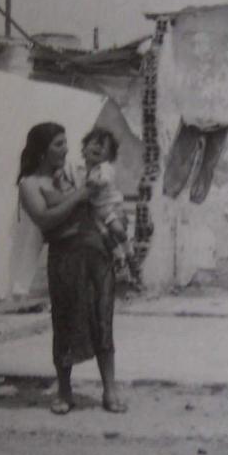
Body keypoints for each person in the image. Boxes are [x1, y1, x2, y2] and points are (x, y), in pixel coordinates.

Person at [16, 122, 126, 415]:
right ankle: (65, 391)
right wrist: (78, 196)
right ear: (41, 150)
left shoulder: (75, 173)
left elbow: (103, 198)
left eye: (66, 143)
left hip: (96, 252)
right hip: (65, 256)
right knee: (65, 321)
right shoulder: (30, 184)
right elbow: (45, 219)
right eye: (58, 145)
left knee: (102, 318)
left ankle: (110, 389)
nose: (66, 149)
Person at [80, 127, 139, 281]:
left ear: (109, 155)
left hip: (110, 207)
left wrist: (94, 182)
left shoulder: (105, 168)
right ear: (84, 149)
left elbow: (104, 181)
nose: (98, 147)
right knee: (105, 235)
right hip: (96, 211)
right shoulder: (84, 170)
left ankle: (130, 255)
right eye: (94, 143)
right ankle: (119, 258)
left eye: (103, 146)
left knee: (117, 229)